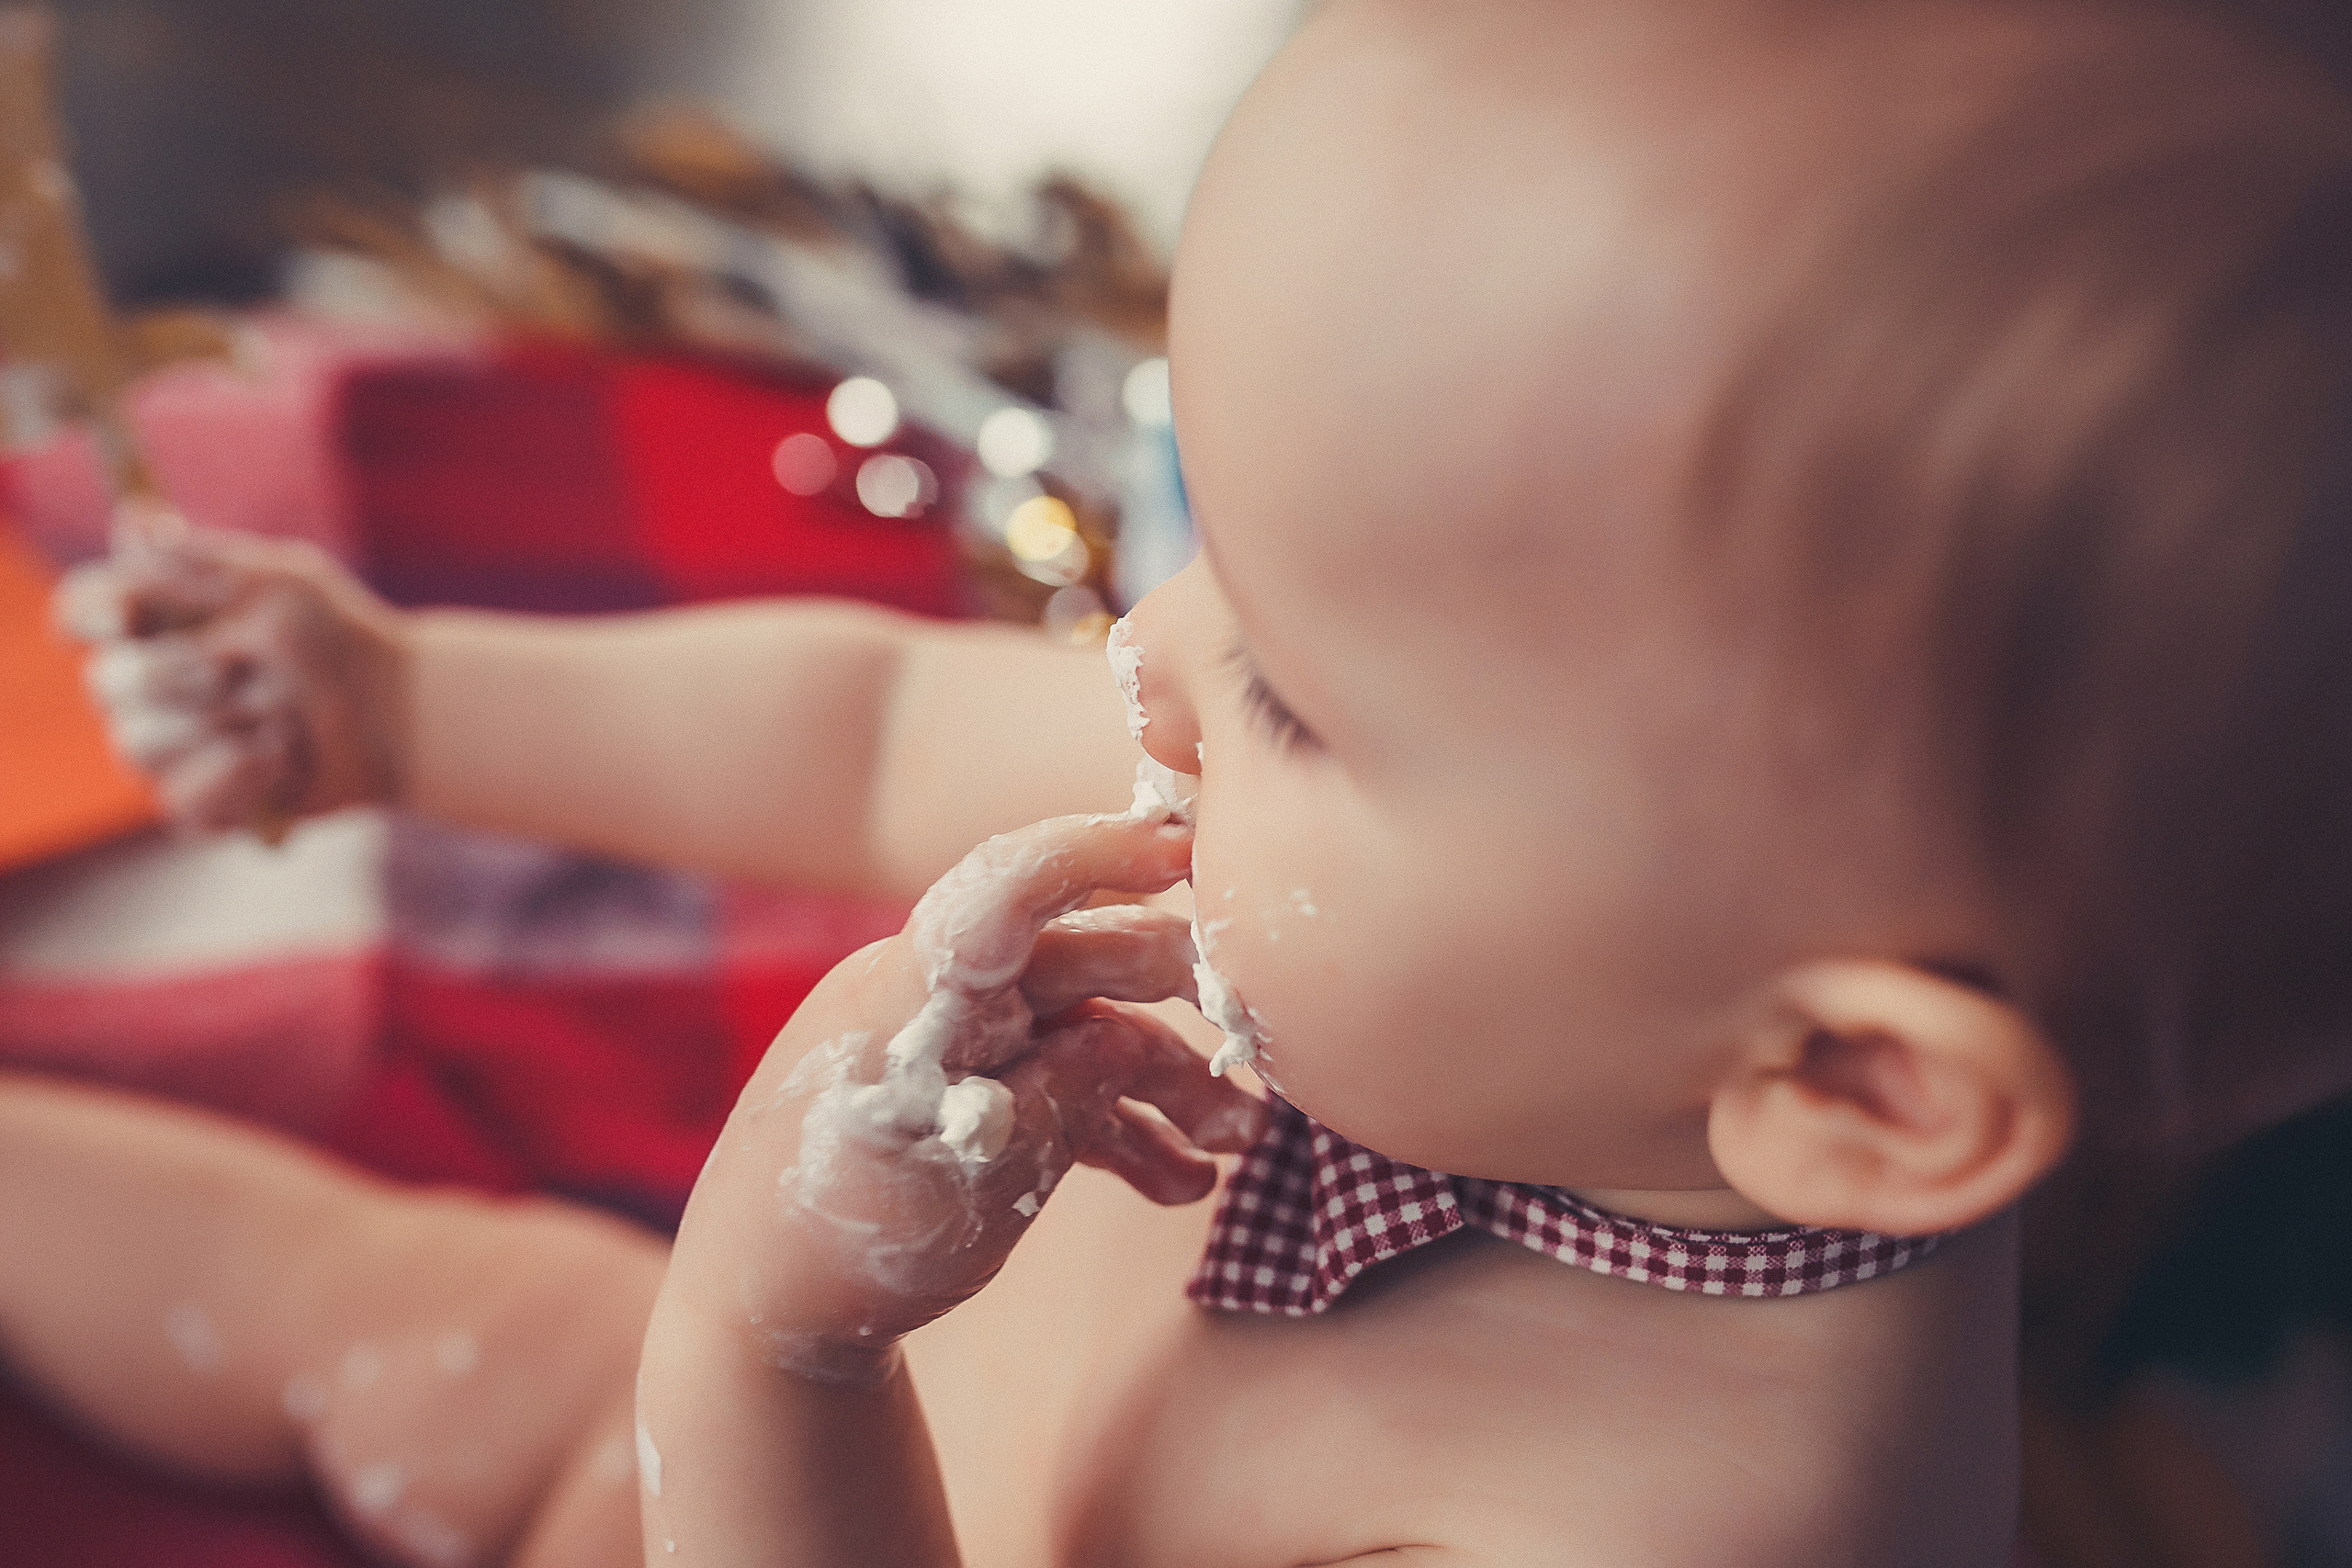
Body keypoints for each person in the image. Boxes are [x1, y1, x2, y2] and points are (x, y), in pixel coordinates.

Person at [39, 0, 2352, 1562]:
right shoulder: (1532, 907)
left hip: (759, 1459)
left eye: (1300, 698)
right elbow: (871, 728)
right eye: (1213, 554)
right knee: (359, 1299)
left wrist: (769, 1349)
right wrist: (398, 707)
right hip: (633, 1428)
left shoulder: (1653, 1517)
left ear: (1843, 1079)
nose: (1145, 650)